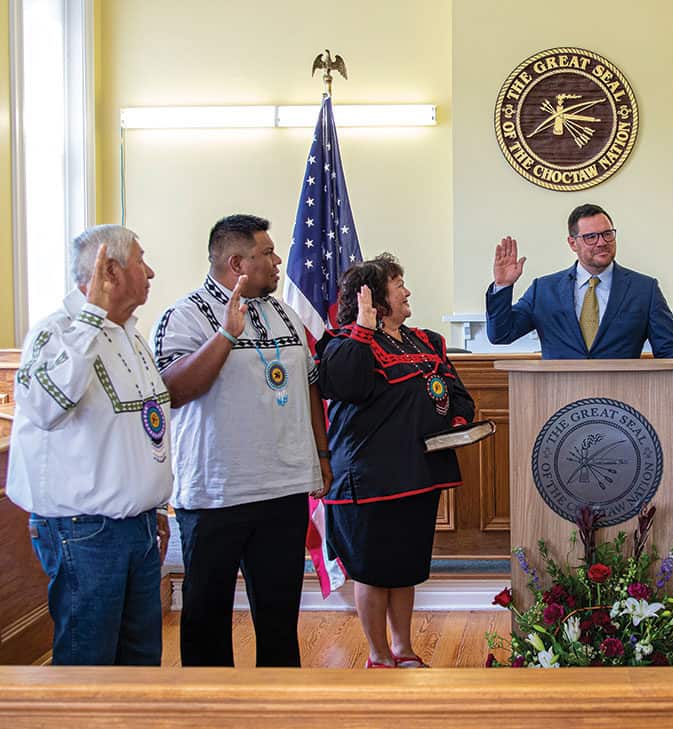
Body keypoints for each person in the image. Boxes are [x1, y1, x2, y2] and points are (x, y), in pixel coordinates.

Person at [152, 214, 330, 667]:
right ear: (236, 262)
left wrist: (321, 456)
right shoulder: (185, 314)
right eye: (266, 254)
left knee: (278, 615)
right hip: (217, 493)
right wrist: (226, 335)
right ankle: (211, 709)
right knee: (207, 616)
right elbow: (173, 389)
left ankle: (279, 705)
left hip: (283, 488)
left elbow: (307, 384)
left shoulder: (283, 312)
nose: (277, 262)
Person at [6, 225, 171, 665]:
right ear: (110, 270)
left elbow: (140, 430)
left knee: (139, 660)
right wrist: (91, 318)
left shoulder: (131, 335)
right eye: (140, 260)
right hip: (85, 531)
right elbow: (43, 407)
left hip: (135, 526)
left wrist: (152, 507)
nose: (150, 271)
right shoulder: (55, 333)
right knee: (89, 665)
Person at [316, 253, 475, 668]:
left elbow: (456, 393)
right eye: (398, 284)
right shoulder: (341, 343)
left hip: (419, 474)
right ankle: (378, 653)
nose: (407, 292)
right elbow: (345, 385)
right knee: (372, 569)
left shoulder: (426, 341)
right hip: (367, 479)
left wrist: (455, 423)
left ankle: (403, 648)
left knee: (405, 567)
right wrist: (364, 330)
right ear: (373, 297)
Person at [486, 203, 673, 359]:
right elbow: (501, 335)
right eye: (591, 237)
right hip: (559, 400)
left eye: (607, 234)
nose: (602, 242)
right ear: (573, 243)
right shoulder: (544, 290)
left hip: (621, 403)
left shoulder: (644, 289)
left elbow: (671, 350)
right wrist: (503, 286)